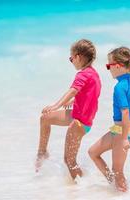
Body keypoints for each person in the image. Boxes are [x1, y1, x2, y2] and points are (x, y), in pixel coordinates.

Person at [35, 39, 101, 180]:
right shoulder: (93, 74)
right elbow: (89, 95)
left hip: (80, 122)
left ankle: (83, 188)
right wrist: (73, 102)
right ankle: (42, 152)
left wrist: (56, 105)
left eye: (71, 59)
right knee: (45, 118)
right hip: (78, 116)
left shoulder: (83, 74)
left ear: (78, 56)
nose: (71, 62)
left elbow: (72, 90)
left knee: (70, 161)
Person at [88, 46, 130, 192]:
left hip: (122, 133)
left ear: (118, 66)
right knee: (93, 152)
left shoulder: (120, 87)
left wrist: (126, 138)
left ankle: (121, 191)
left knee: (118, 171)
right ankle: (113, 185)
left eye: (109, 66)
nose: (109, 70)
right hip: (123, 131)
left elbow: (126, 112)